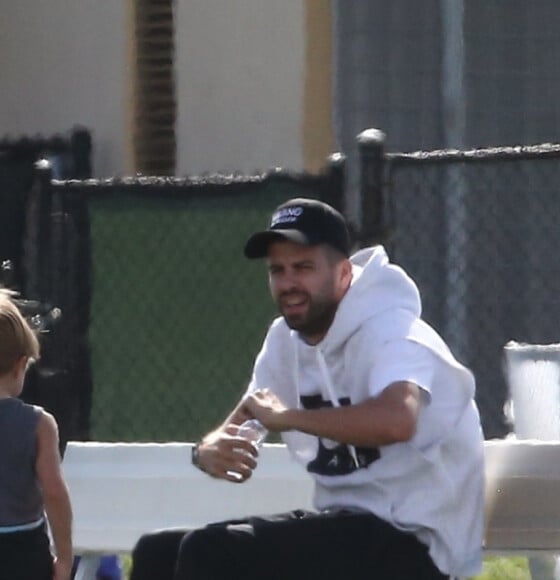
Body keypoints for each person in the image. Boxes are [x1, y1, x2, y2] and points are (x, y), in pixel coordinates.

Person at [130, 197, 485, 580]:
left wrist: (291, 418)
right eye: (277, 270)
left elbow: (398, 420)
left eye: (303, 268)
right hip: (345, 531)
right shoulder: (285, 341)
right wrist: (207, 451)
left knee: (214, 551)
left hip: (417, 545)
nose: (288, 284)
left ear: (344, 274)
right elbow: (245, 419)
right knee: (158, 552)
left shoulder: (393, 333)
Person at [0, 291, 73, 580]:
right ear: (20, 365)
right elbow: (53, 493)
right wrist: (65, 559)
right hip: (23, 549)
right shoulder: (38, 423)